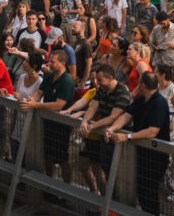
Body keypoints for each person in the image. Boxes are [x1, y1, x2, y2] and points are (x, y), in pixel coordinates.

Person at [105, 71, 172, 215]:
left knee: (150, 191)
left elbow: (153, 131)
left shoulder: (159, 102)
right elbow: (126, 116)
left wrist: (127, 137)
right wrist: (111, 129)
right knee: (141, 189)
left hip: (156, 157)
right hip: (141, 153)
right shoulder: (141, 100)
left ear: (142, 85)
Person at [75, 64, 132, 194]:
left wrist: (91, 126)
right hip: (104, 136)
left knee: (116, 175)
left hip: (119, 138)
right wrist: (85, 121)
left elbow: (113, 117)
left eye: (100, 80)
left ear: (110, 78)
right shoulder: (102, 89)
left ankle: (116, 203)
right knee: (103, 169)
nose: (97, 83)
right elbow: (93, 106)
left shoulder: (123, 92)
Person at [21, 50, 75, 184]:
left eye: (52, 61)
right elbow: (39, 92)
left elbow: (59, 105)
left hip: (61, 125)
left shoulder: (67, 81)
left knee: (62, 158)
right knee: (47, 154)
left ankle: (66, 189)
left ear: (62, 63)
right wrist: (30, 101)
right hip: (46, 121)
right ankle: (48, 182)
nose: (49, 63)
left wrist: (35, 105)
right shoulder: (48, 77)